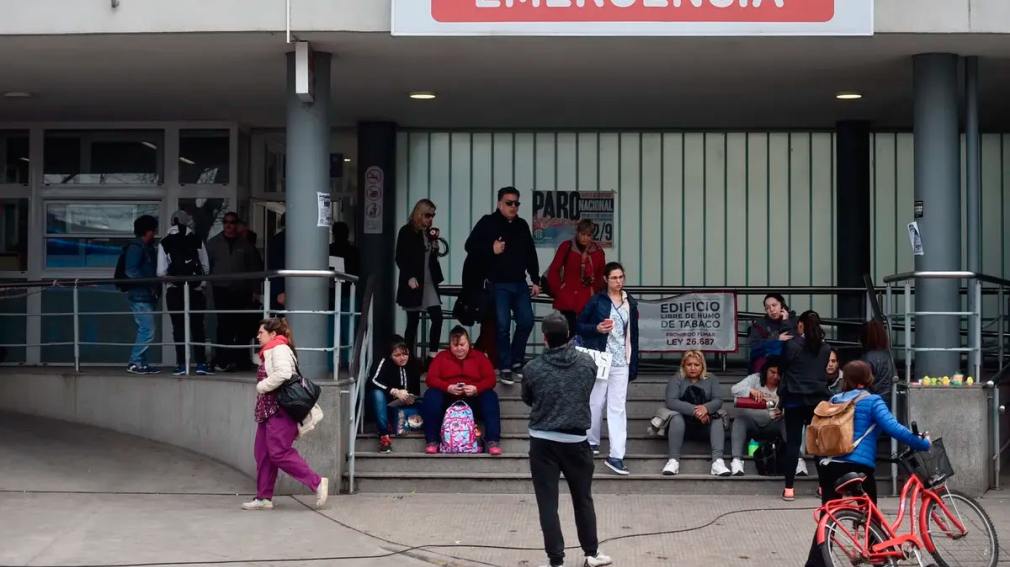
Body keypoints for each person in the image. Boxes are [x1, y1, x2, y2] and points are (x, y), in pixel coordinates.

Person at [804, 360, 931, 567]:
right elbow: (894, 428)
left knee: (829, 516)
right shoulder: (873, 401)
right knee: (871, 513)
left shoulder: (834, 400)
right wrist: (922, 443)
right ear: (868, 378)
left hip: (829, 465)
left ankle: (815, 563)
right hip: (857, 467)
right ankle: (878, 556)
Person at [522, 311, 613, 567]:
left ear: (544, 338)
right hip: (576, 441)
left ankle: (556, 560)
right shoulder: (587, 363)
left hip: (542, 441)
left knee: (547, 503)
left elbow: (528, 398)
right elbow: (587, 389)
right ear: (569, 335)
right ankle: (592, 553)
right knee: (583, 498)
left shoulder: (532, 368)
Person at [242, 317, 328, 511]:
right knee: (263, 453)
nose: (258, 336)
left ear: (273, 334)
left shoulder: (279, 348)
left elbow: (283, 374)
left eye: (261, 332)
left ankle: (316, 482)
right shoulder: (270, 350)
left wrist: (261, 386)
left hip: (280, 409)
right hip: (267, 411)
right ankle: (263, 498)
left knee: (278, 452)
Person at [465, 187, 540, 385]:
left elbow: (530, 252)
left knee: (526, 321)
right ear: (499, 204)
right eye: (509, 203)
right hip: (498, 284)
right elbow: (469, 246)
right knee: (502, 326)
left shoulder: (522, 225)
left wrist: (535, 279)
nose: (513, 207)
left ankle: (516, 361)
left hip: (520, 282)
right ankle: (505, 366)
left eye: (516, 203)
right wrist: (491, 248)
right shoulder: (487, 222)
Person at [577, 262, 639, 476]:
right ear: (605, 279)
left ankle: (616, 455)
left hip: (622, 360)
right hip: (601, 358)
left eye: (621, 277)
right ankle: (591, 441)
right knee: (595, 402)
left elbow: (634, 335)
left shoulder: (630, 302)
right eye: (614, 278)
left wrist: (633, 362)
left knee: (617, 408)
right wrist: (596, 328)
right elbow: (579, 325)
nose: (618, 281)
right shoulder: (597, 300)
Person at [421, 326, 502, 455]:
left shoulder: (479, 357)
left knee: (490, 396)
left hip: (473, 399)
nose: (459, 348)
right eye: (455, 345)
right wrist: (447, 387)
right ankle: (432, 441)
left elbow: (491, 379)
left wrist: (476, 388)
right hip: (448, 400)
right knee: (431, 395)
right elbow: (430, 379)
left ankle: (492, 441)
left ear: (469, 343)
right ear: (450, 345)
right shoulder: (442, 357)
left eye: (462, 345)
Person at [779, 310, 832, 501]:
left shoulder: (792, 345)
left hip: (794, 399)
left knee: (793, 443)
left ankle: (789, 489)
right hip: (816, 401)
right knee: (818, 445)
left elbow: (783, 365)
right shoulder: (825, 349)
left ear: (800, 325)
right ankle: (823, 487)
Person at [157, 209, 213, 376]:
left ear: (172, 222)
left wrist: (173, 279)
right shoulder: (196, 239)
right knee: (198, 327)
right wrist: (200, 283)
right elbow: (205, 267)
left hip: (175, 290)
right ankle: (201, 364)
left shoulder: (165, 241)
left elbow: (160, 272)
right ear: (188, 222)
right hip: (195, 290)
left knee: (178, 327)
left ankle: (182, 364)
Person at [207, 212, 263, 372]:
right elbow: (206, 267)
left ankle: (240, 360)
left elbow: (254, 268)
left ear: (236, 224)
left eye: (232, 222)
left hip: (241, 291)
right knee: (223, 325)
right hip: (220, 290)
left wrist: (255, 290)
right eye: (225, 222)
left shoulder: (245, 245)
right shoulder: (213, 243)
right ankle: (222, 360)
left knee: (242, 326)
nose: (228, 225)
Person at [661, 350, 728, 476]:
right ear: (683, 365)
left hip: (705, 424)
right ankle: (673, 461)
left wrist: (706, 409)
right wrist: (696, 411)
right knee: (676, 418)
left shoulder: (711, 378)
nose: (692, 368)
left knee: (718, 418)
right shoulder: (677, 379)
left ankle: (717, 462)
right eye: (689, 364)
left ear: (703, 366)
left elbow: (718, 400)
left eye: (696, 365)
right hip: (681, 426)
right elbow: (671, 401)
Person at [397, 199, 445, 360]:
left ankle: (432, 355)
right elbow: (400, 256)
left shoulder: (428, 233)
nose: (430, 219)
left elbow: (430, 258)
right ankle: (408, 358)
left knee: (437, 317)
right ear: (419, 214)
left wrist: (435, 247)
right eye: (427, 215)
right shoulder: (407, 231)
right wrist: (409, 276)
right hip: (415, 281)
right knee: (413, 322)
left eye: (432, 216)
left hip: (429, 280)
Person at [545, 219, 605, 336]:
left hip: (589, 299)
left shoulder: (598, 251)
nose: (585, 238)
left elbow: (600, 276)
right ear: (577, 232)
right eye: (583, 234)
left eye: (588, 235)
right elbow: (554, 270)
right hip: (568, 299)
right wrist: (559, 291)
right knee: (569, 334)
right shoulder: (567, 247)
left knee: (586, 334)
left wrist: (599, 297)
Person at [729, 356, 786, 476]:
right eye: (772, 372)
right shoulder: (755, 378)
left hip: (774, 423)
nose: (775, 376)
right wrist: (750, 391)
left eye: (778, 374)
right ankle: (736, 460)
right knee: (739, 420)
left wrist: (783, 412)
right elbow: (734, 389)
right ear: (766, 370)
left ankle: (798, 460)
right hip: (752, 422)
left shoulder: (785, 384)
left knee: (789, 421)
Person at [369, 337, 423, 453]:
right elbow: (373, 380)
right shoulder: (384, 361)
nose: (402, 358)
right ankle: (384, 437)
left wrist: (410, 397)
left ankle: (399, 424)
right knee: (377, 394)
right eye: (397, 355)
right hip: (385, 401)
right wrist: (393, 391)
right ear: (390, 355)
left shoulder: (412, 364)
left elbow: (415, 389)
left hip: (401, 404)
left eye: (405, 354)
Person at [125, 214, 161, 375]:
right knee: (147, 330)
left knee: (145, 329)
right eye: (154, 230)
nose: (155, 233)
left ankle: (141, 362)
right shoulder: (137, 247)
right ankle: (135, 362)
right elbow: (131, 270)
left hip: (145, 295)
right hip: (140, 295)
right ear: (148, 231)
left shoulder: (145, 247)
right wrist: (148, 284)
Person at [748, 293, 797, 373]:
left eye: (774, 305)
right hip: (767, 363)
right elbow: (754, 345)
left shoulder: (794, 321)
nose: (771, 309)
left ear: (782, 306)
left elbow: (794, 341)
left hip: (790, 363)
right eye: (767, 308)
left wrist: (785, 321)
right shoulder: (759, 324)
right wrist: (776, 338)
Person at [860, 319, 896, 401]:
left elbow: (863, 384)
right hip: (888, 398)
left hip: (872, 399)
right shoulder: (888, 355)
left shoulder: (867, 357)